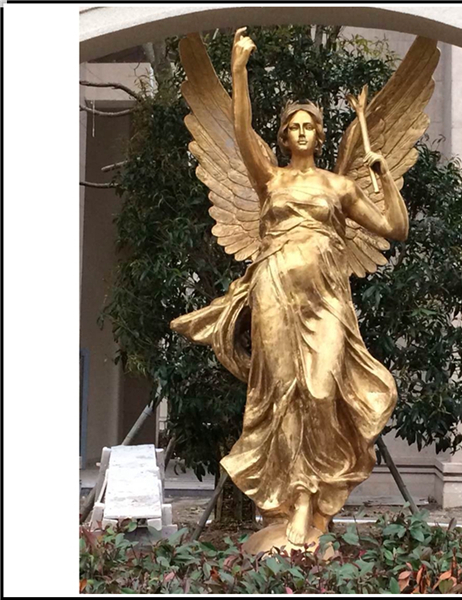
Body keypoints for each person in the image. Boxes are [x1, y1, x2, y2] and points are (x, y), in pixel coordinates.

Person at [172, 28, 410, 546]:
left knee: (321, 391)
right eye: (293, 127)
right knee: (282, 394)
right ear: (284, 137)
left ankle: (313, 496)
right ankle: (296, 503)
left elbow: (395, 229)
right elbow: (239, 131)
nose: (301, 132)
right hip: (274, 293)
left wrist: (384, 175)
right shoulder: (272, 180)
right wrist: (238, 72)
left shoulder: (340, 186)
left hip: (326, 300)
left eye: (309, 127)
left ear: (320, 136)